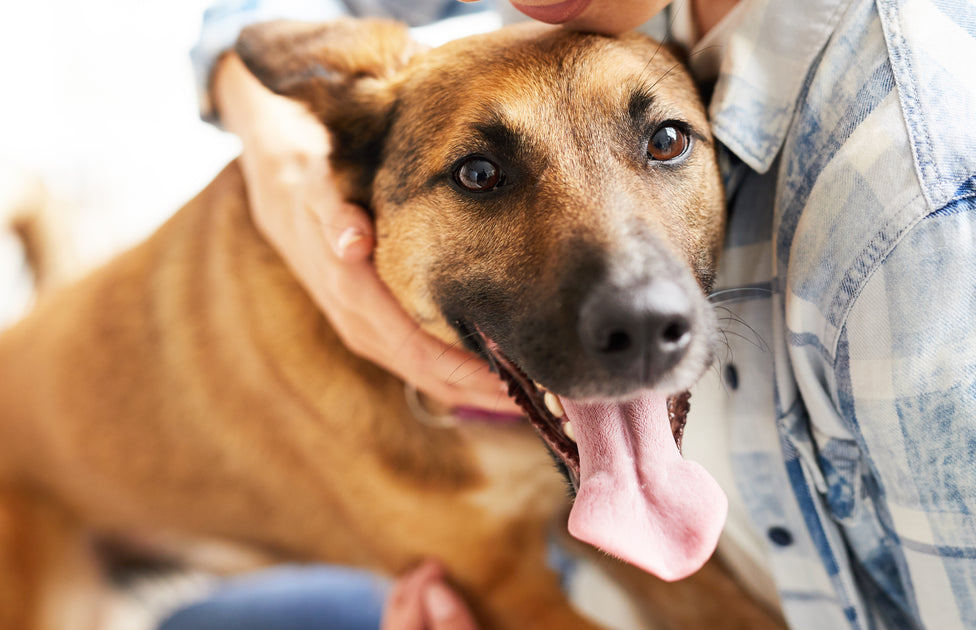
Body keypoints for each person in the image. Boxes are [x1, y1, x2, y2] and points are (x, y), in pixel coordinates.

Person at [178, 0, 976, 628]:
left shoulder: (920, 236)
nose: (635, 310)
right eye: (483, 173)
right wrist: (278, 152)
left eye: (664, 142)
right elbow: (243, 22)